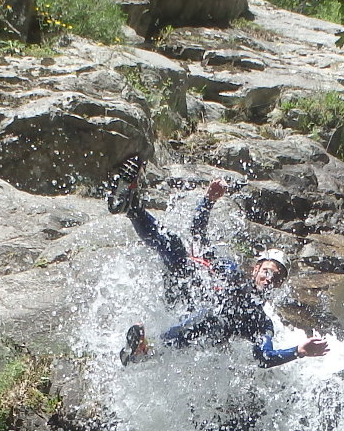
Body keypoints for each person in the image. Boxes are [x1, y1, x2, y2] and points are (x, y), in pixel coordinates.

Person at [106, 156, 329, 367]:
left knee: (212, 319)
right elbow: (198, 234)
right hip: (183, 297)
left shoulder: (260, 322)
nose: (270, 279)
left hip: (202, 335)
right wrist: (208, 201)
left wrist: (299, 351)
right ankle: (131, 207)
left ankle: (146, 352)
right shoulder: (229, 270)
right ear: (255, 269)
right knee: (175, 246)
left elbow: (265, 357)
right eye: (268, 272)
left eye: (277, 278)